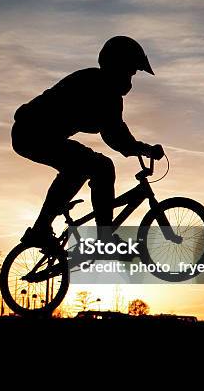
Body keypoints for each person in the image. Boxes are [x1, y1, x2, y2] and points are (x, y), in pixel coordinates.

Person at [11, 36, 164, 244]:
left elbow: (117, 136)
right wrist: (145, 149)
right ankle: (101, 237)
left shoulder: (105, 89)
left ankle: (42, 229)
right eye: (131, 69)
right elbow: (116, 136)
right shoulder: (97, 85)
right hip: (31, 132)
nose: (131, 76)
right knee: (100, 167)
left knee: (83, 168)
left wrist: (142, 149)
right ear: (117, 65)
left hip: (37, 134)